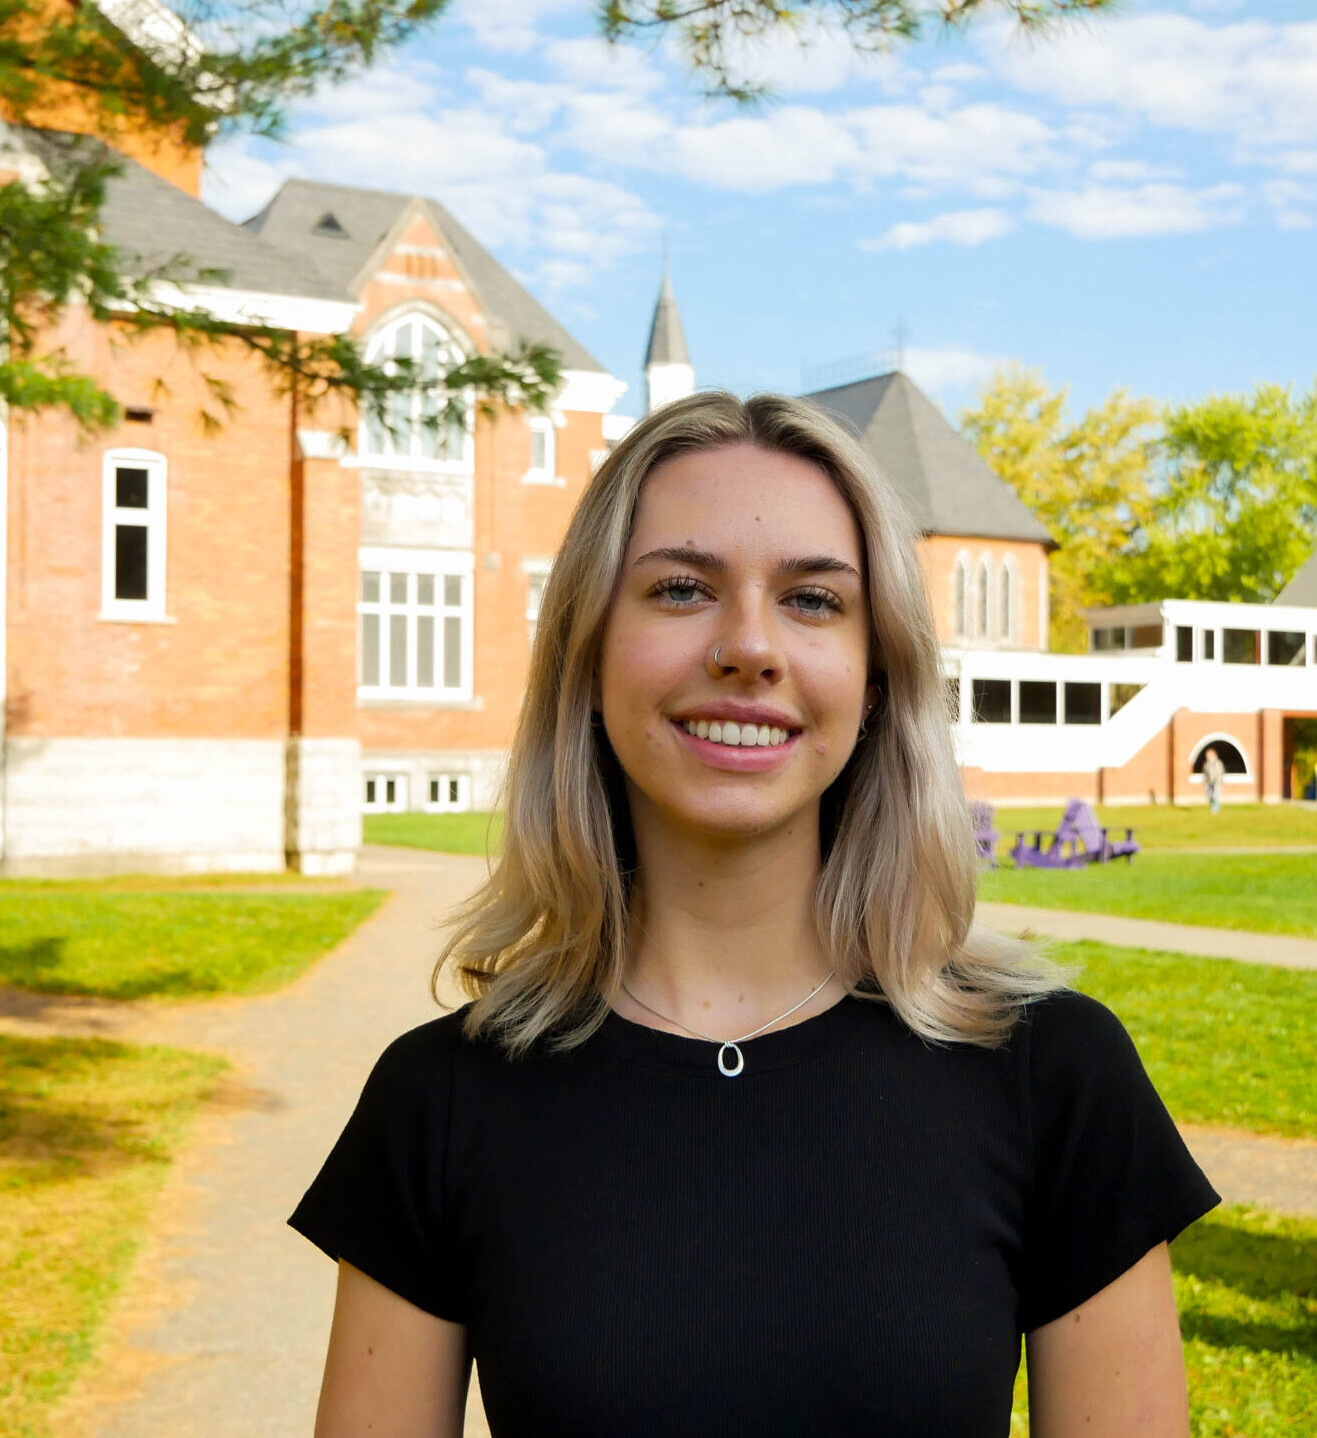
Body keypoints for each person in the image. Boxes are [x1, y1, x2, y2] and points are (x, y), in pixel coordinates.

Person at [291, 392, 1219, 1438]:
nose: (748, 646)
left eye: (813, 600)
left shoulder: (1052, 1075)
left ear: (876, 679)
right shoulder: (443, 1100)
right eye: (681, 588)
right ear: (587, 659)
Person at [1202, 746, 1226, 813]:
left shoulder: (1218, 763)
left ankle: (1215, 809)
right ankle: (1214, 806)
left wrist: (1217, 782)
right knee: (1209, 796)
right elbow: (1205, 773)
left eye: (1208, 754)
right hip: (1209, 782)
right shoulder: (1207, 764)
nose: (1206, 756)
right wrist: (1205, 781)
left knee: (1216, 795)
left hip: (1217, 782)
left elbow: (1219, 773)